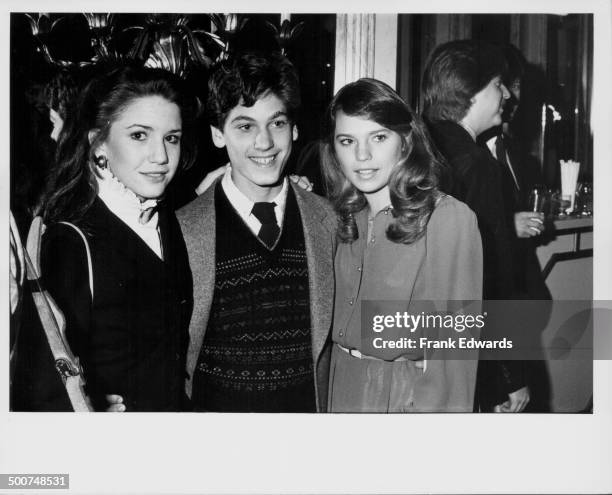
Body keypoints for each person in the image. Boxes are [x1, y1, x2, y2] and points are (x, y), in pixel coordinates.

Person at [12, 66, 196, 412]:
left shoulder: (166, 219)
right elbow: (41, 385)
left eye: (171, 137)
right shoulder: (71, 240)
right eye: (140, 135)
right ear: (98, 143)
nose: (161, 156)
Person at [176, 51, 336, 412]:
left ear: (294, 129)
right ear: (218, 134)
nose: (264, 142)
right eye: (245, 126)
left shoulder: (329, 222)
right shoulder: (183, 230)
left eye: (277, 123)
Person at [320, 78, 482, 412]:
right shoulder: (336, 216)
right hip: (339, 385)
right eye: (347, 140)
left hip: (402, 396)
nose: (362, 155)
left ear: (405, 140)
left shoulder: (447, 217)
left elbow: (457, 348)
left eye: (378, 137)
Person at [422, 39, 530, 412]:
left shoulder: (419, 146)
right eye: (498, 84)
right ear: (473, 91)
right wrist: (510, 377)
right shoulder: (478, 164)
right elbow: (492, 278)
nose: (505, 95)